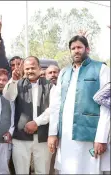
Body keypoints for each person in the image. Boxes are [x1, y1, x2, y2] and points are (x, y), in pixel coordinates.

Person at [48, 35, 110, 174]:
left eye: (79, 47)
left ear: (87, 49)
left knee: (89, 170)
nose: (76, 51)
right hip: (66, 135)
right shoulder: (64, 72)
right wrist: (52, 133)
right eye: (73, 48)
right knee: (67, 169)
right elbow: (56, 106)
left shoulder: (101, 69)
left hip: (90, 134)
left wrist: (101, 137)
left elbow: (107, 107)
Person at [3, 56, 54, 174]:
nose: (30, 71)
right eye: (27, 69)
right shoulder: (18, 84)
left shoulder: (49, 86)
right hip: (21, 137)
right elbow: (8, 96)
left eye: (33, 68)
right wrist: (14, 80)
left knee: (42, 171)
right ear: (23, 70)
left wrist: (36, 122)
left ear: (40, 68)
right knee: (21, 171)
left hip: (42, 137)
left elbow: (53, 109)